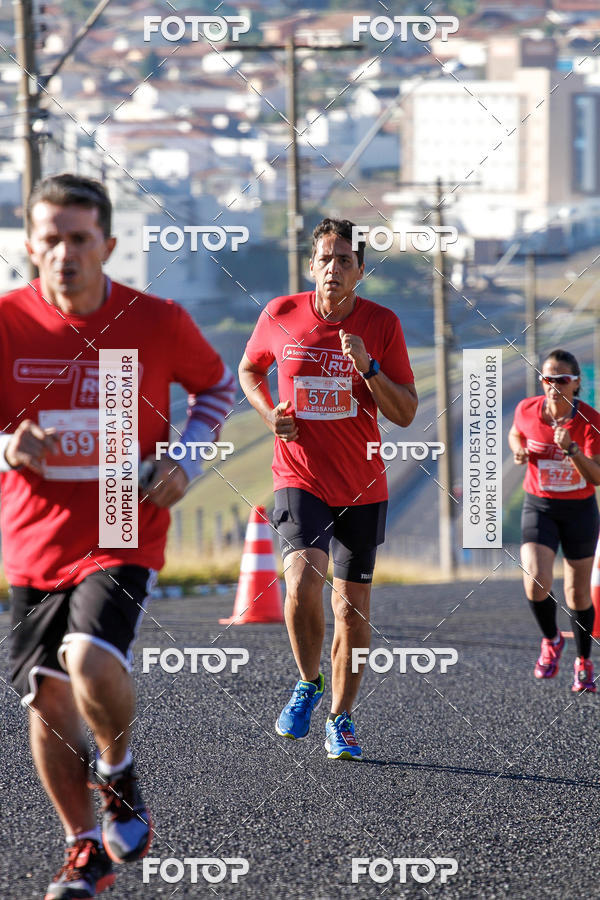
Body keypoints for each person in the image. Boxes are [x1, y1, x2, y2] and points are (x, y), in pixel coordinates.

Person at [0, 173, 235, 899]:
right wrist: (7, 444)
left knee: (87, 656)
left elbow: (217, 387)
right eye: (50, 239)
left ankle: (119, 767)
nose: (64, 253)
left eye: (79, 239)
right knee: (45, 698)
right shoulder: (7, 319)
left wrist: (184, 460)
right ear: (30, 244)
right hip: (32, 531)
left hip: (120, 515)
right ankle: (82, 849)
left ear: (107, 243)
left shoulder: (156, 320)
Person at [239, 217, 417, 760]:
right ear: (311, 265)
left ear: (360, 271)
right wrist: (271, 415)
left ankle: (340, 717)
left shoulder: (382, 324)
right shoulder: (280, 314)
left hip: (362, 484)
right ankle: (306, 681)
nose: (333, 269)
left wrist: (370, 367)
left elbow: (406, 412)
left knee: (351, 611)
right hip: (298, 475)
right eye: (325, 258)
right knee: (301, 580)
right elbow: (249, 370)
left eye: (345, 260)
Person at [509, 349, 600, 692]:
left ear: (575, 383)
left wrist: (574, 450)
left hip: (579, 510)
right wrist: (517, 448)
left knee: (577, 593)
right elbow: (517, 432)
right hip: (541, 505)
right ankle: (551, 640)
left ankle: (584, 661)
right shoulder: (527, 410)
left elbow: (597, 477)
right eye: (548, 378)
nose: (554, 385)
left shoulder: (590, 421)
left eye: (561, 379)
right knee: (535, 579)